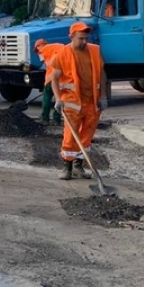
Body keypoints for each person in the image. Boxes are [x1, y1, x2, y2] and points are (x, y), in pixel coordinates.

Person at [50, 22, 107, 180]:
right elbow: (54, 78)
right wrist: (58, 99)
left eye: (86, 38)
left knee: (86, 135)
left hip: (92, 102)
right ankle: (67, 167)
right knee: (70, 135)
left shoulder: (94, 50)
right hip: (72, 102)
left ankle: (78, 167)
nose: (84, 41)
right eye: (80, 38)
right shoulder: (63, 53)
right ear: (71, 36)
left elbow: (102, 74)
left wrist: (103, 96)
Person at [34, 38, 64, 125]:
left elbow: (45, 64)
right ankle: (56, 119)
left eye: (37, 49)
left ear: (39, 45)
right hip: (61, 78)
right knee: (59, 99)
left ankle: (45, 118)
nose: (37, 52)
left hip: (50, 78)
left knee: (46, 98)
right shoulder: (56, 47)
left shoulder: (43, 50)